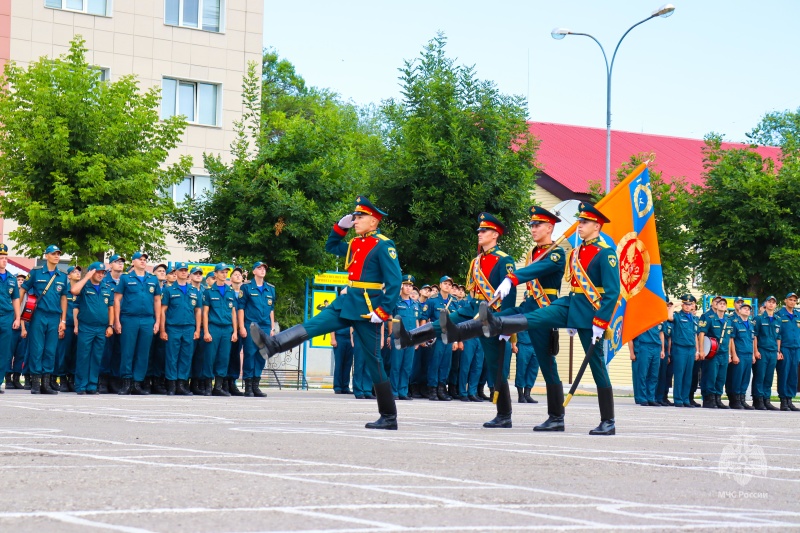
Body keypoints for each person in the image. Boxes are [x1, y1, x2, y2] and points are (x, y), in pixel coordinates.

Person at [463, 204, 620, 435]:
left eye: (584, 222)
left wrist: (601, 320)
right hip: (573, 307)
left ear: (597, 226)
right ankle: (555, 417)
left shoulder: (605, 252)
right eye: (579, 222)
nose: (580, 226)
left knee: (596, 366)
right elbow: (575, 287)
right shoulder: (575, 252)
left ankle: (608, 420)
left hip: (591, 314)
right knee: (537, 322)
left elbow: (612, 291)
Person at [250, 196, 402, 430]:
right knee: (314, 325)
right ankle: (273, 345)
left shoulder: (384, 245)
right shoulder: (356, 243)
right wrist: (340, 229)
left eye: (360, 217)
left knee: (374, 360)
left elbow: (394, 281)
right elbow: (331, 246)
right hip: (347, 301)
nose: (356, 220)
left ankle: (389, 416)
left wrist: (383, 311)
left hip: (367, 308)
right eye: (355, 217)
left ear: (374, 221)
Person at [396, 212, 518, 428]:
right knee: (443, 322)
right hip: (473, 306)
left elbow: (509, 297)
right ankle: (410, 337)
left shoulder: (504, 260)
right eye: (479, 230)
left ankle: (504, 414)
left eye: (484, 231)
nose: (479, 233)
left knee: (496, 366)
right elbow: (473, 290)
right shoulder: (477, 261)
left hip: (492, 315)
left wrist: (504, 324)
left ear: (495, 234)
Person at [20, 245, 68, 395]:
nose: (56, 256)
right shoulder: (35, 272)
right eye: (53, 254)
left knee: (50, 350)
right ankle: (35, 382)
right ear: (46, 255)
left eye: (58, 254)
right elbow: (23, 290)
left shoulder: (62, 276)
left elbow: (64, 298)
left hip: (54, 316)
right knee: (37, 348)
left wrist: (63, 320)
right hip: (39, 315)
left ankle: (46, 383)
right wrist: (17, 313)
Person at [114, 251, 161, 395]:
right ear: (133, 262)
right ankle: (126, 382)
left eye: (145, 259)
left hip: (147, 319)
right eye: (140, 259)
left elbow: (157, 300)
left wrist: (157, 321)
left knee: (143, 352)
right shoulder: (126, 278)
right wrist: (117, 321)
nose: (143, 261)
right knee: (128, 351)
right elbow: (117, 299)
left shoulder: (152, 279)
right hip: (129, 318)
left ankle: (137, 382)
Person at [71, 263, 114, 394]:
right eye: (98, 272)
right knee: (83, 356)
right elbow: (74, 291)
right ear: (91, 272)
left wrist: (110, 325)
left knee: (97, 357)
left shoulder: (106, 288)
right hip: (86, 326)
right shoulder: (84, 286)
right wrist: (86, 277)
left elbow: (110, 307)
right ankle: (81, 386)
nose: (101, 275)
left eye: (103, 273)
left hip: (101, 328)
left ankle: (92, 385)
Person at [160, 262, 201, 396]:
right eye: (181, 270)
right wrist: (162, 330)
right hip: (173, 327)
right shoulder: (169, 290)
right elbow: (163, 311)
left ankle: (181, 384)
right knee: (172, 356)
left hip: (189, 327)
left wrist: (197, 330)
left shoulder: (194, 291)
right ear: (175, 272)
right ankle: (171, 384)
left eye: (185, 270)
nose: (183, 272)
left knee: (186, 356)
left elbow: (198, 311)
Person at [237, 261, 275, 397]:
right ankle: (248, 386)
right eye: (259, 268)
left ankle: (256, 385)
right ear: (253, 271)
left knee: (261, 355)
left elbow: (271, 309)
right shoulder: (246, 287)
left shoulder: (270, 288)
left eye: (264, 268)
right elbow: (240, 308)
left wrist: (272, 328)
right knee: (250, 354)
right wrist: (242, 326)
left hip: (264, 326)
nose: (262, 270)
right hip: (251, 325)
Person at [202, 263, 238, 397]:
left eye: (225, 272)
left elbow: (233, 312)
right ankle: (207, 387)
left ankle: (218, 387)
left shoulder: (230, 291)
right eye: (221, 272)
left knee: (223, 358)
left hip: (227, 328)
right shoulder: (209, 291)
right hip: (214, 327)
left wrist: (234, 331)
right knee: (210, 357)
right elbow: (205, 313)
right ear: (215, 274)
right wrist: (206, 331)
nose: (224, 274)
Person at [697, 296, 734, 409]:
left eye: (724, 304)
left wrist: (729, 354)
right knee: (710, 376)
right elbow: (702, 333)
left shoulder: (728, 320)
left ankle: (718, 398)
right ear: (716, 306)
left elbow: (729, 338)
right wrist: (702, 350)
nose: (722, 305)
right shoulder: (709, 318)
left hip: (723, 353)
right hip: (713, 352)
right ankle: (709, 399)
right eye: (719, 303)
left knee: (721, 377)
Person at [98, 254, 125, 393]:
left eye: (122, 262)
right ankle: (103, 379)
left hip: (123, 320)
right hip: (107, 320)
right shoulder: (105, 280)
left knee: (118, 351)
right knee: (106, 350)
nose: (120, 264)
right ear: (110, 265)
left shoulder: (125, 280)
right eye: (117, 262)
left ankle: (115, 379)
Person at [389, 274, 419, 400]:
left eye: (410, 286)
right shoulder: (396, 301)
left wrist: (418, 337)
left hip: (411, 338)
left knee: (407, 366)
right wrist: (391, 334)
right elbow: (390, 318)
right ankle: (394, 391)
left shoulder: (415, 304)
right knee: (396, 365)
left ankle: (403, 391)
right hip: (398, 337)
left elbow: (416, 321)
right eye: (406, 285)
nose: (408, 288)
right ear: (401, 286)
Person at [55, 265, 81, 392]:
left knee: (75, 354)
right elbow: (61, 309)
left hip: (79, 327)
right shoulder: (64, 290)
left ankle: (71, 378)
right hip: (67, 325)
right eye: (74, 272)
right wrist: (61, 325)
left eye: (79, 272)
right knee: (64, 353)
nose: (77, 273)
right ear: (69, 276)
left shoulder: (81, 290)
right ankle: (62, 378)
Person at [753, 295, 781, 410]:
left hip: (772, 351)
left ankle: (766, 399)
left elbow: (778, 337)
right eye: (769, 302)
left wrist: (778, 351)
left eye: (773, 302)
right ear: (765, 304)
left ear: (775, 305)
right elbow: (754, 336)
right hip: (762, 350)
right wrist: (755, 350)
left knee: (769, 377)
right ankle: (758, 400)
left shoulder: (778, 319)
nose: (771, 304)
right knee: (760, 375)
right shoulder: (759, 318)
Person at [0, 244, 21, 393]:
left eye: (6, 258)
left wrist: (18, 318)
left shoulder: (12, 279)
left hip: (7, 317)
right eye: (1, 258)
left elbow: (15, 300)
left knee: (4, 351)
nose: (4, 261)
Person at [629, 322, 665, 407]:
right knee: (643, 374)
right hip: (645, 345)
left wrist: (662, 349)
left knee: (654, 375)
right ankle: (642, 398)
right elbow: (630, 336)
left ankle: (651, 398)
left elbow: (661, 334)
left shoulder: (658, 318)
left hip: (656, 347)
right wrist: (631, 352)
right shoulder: (643, 318)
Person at [728, 300, 755, 409]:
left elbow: (752, 340)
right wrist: (734, 354)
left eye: (748, 309)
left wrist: (753, 354)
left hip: (748, 354)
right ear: (739, 310)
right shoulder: (735, 322)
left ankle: (742, 399)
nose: (747, 311)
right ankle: (735, 400)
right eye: (744, 308)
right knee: (737, 378)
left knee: (745, 378)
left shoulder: (751, 324)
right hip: (739, 353)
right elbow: (732, 339)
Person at [776, 292, 800, 411]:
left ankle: (790, 399)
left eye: (794, 300)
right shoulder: (779, 315)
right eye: (790, 300)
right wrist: (778, 350)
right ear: (785, 300)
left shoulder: (798, 315)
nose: (792, 302)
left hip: (796, 348)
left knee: (793, 374)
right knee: (784, 373)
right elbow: (777, 334)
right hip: (785, 347)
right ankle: (783, 401)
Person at [225, 266, 245, 396]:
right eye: (235, 274)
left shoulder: (245, 292)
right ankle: (224, 382)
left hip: (240, 328)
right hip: (228, 328)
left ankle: (232, 381)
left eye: (240, 274)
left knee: (236, 356)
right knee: (225, 355)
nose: (238, 276)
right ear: (230, 278)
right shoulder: (228, 292)